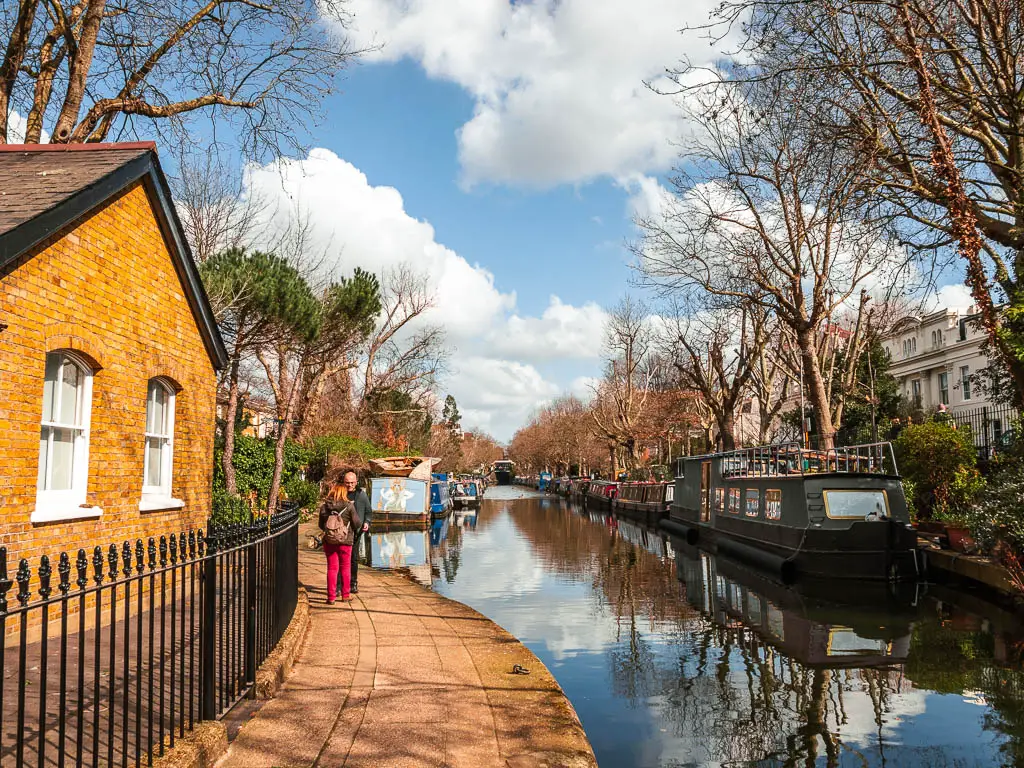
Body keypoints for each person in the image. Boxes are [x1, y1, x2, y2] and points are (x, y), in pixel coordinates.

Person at [318, 481, 361, 604]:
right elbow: (357, 523)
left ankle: (331, 597)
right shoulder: (349, 506)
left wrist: (331, 531)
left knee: (332, 568)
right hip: (345, 541)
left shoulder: (324, 507)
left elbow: (321, 525)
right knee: (345, 567)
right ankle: (345, 595)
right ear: (344, 492)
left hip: (329, 541)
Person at [344, 470, 373, 594]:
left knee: (353, 558)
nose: (349, 485)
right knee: (342, 559)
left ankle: (353, 583)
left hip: (356, 531)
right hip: (342, 531)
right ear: (344, 482)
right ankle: (341, 584)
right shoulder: (340, 493)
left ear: (356, 482)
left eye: (352, 482)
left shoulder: (361, 495)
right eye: (347, 482)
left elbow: (368, 511)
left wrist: (366, 522)